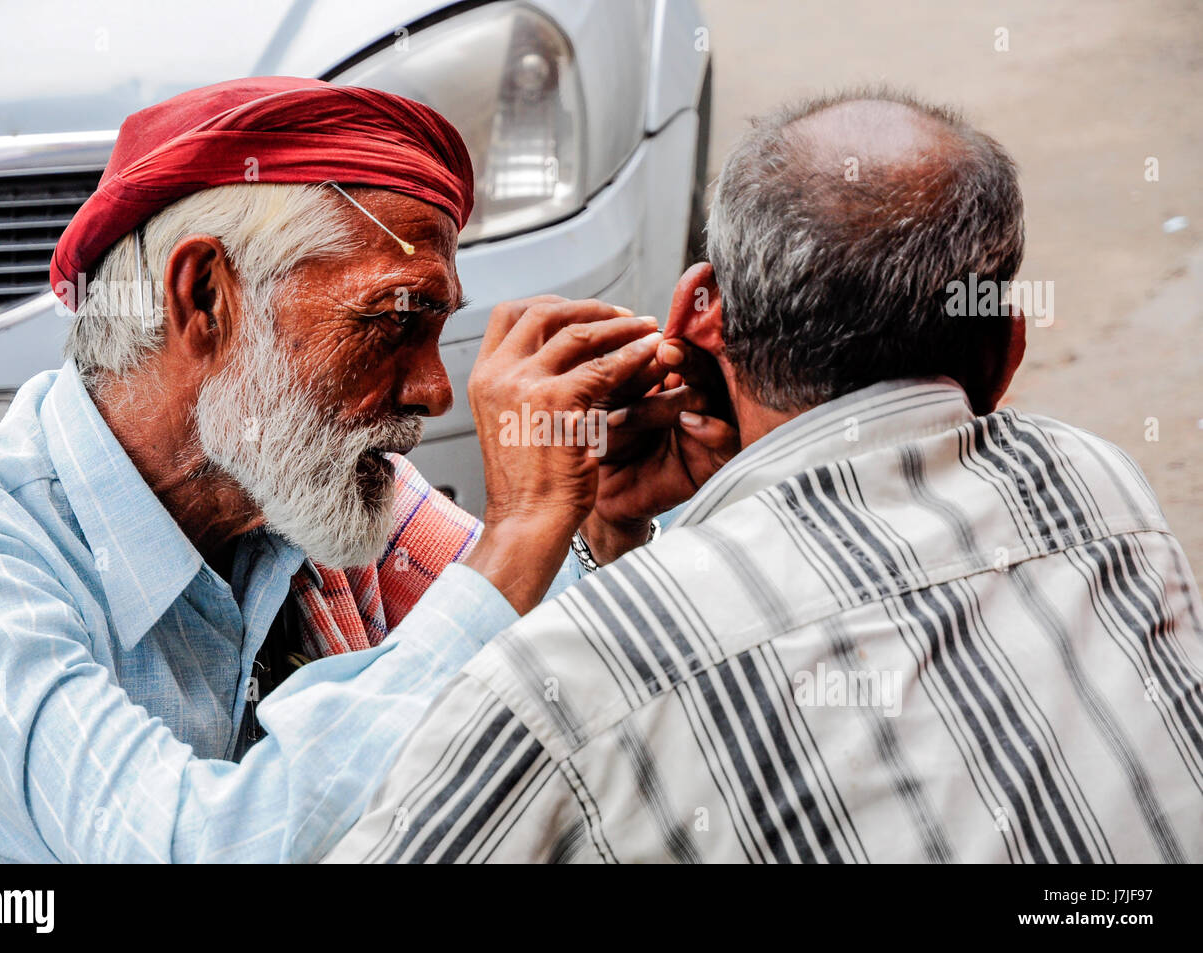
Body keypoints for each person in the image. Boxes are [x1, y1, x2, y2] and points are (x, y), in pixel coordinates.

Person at [327, 89, 1203, 863]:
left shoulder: (581, 673)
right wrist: (617, 537)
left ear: (694, 315)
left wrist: (526, 529)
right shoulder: (1101, 486)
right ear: (1006, 350)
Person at [0, 77, 663, 862]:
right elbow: (199, 846)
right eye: (394, 321)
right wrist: (519, 535)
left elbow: (531, 663)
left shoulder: (300, 497)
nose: (434, 390)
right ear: (205, 297)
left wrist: (599, 521)